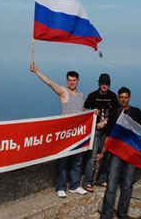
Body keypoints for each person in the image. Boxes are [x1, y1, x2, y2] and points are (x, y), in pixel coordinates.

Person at [30, 63, 88, 198]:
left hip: (78, 134)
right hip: (65, 134)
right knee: (63, 161)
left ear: (78, 81)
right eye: (69, 80)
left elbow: (82, 112)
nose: (71, 82)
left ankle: (75, 185)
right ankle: (60, 187)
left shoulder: (81, 96)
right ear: (66, 81)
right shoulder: (63, 92)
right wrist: (37, 71)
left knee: (77, 161)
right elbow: (50, 83)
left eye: (74, 80)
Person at [98, 87, 141, 219]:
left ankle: (122, 213)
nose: (123, 100)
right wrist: (103, 151)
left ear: (129, 98)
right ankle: (106, 215)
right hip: (116, 152)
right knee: (111, 184)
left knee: (127, 185)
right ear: (118, 97)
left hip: (131, 154)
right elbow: (109, 134)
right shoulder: (114, 112)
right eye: (121, 97)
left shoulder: (136, 112)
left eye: (126, 97)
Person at [83, 73, 120, 192]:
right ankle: (88, 182)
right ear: (99, 84)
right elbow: (85, 110)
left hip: (107, 130)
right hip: (95, 130)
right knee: (92, 157)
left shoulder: (113, 96)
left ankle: (101, 179)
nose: (104, 86)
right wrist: (93, 117)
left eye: (106, 84)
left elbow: (116, 113)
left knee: (105, 156)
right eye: (102, 83)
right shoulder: (92, 96)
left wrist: (106, 122)